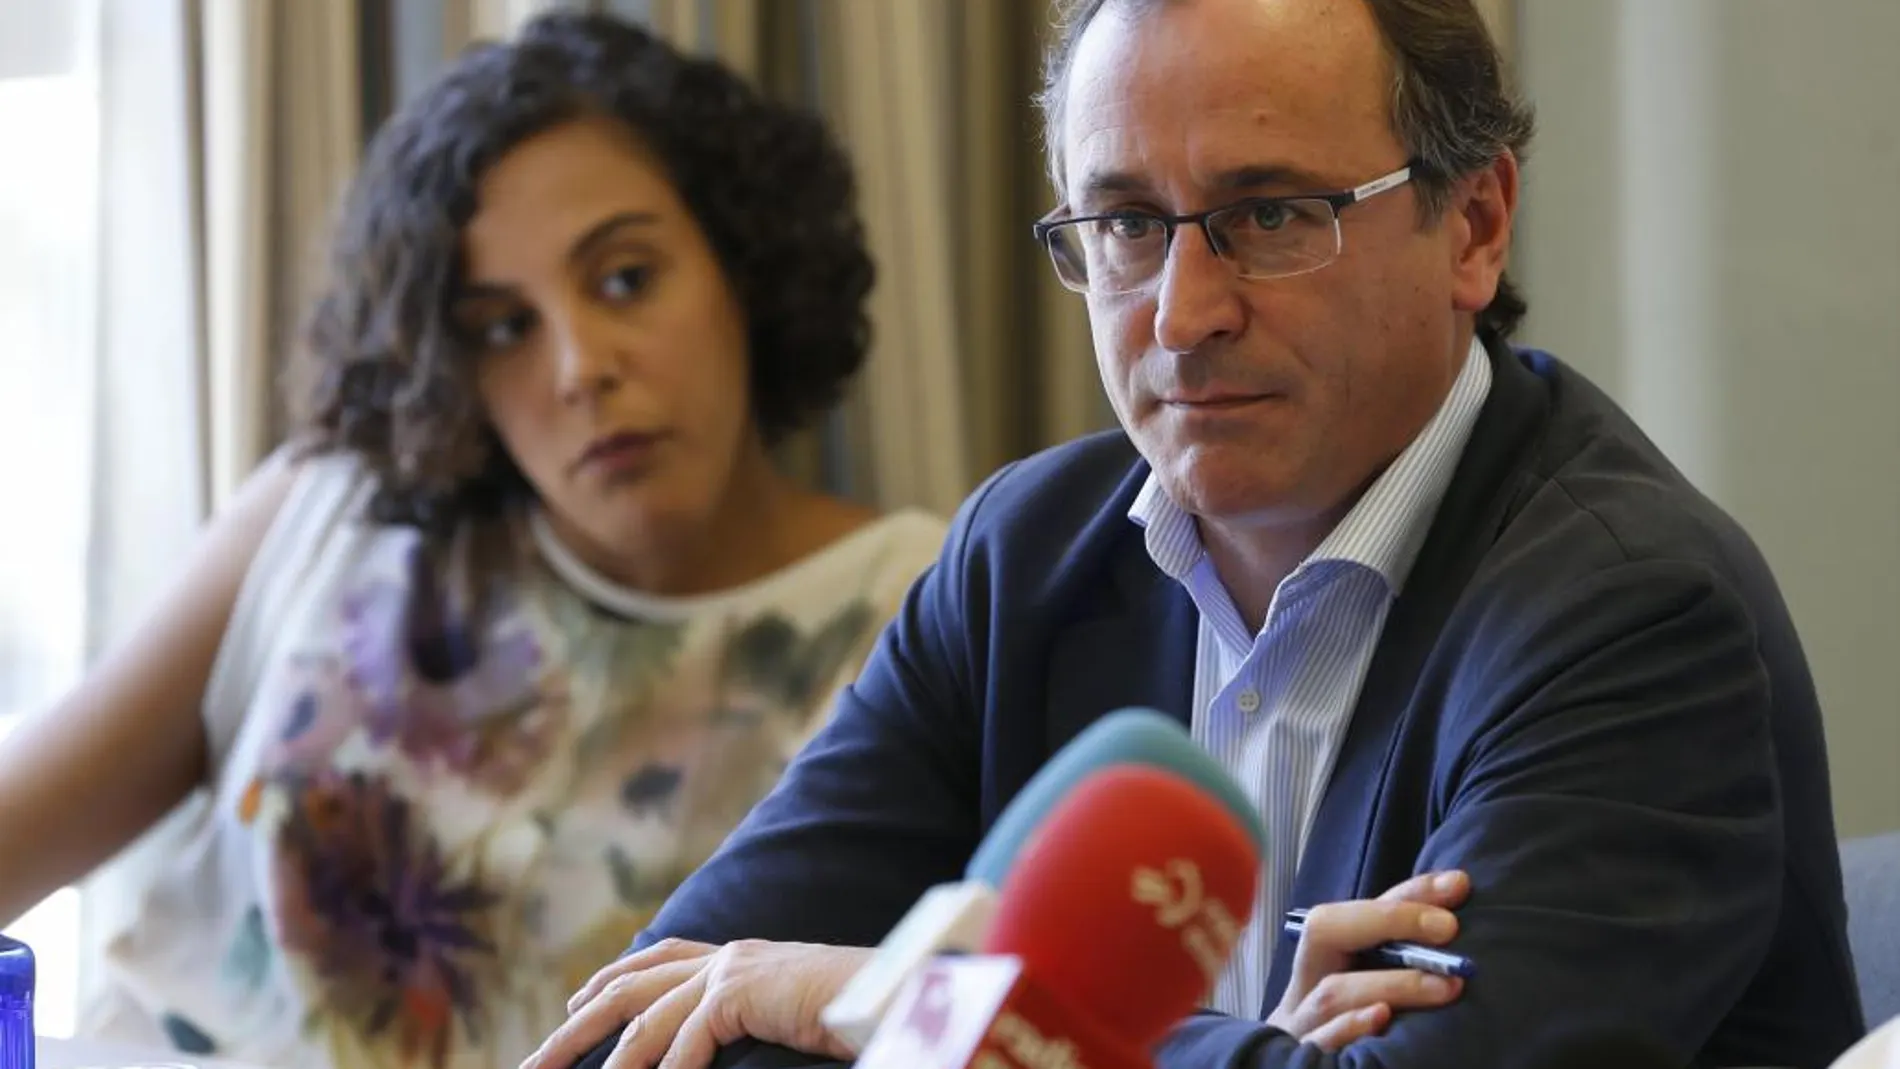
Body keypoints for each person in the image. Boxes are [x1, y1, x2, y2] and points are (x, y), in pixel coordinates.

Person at [528, 0, 1869, 1067]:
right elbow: (668, 1025)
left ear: (1473, 224)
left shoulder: (1629, 612)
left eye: (1271, 216)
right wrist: (1243, 1051)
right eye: (1123, 224)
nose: (1181, 313)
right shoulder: (1025, 557)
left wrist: (896, 997)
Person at [0, 12, 947, 1069]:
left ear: (744, 264)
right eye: (503, 326)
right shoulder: (332, 511)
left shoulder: (923, 605)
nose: (580, 366)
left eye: (626, 278)